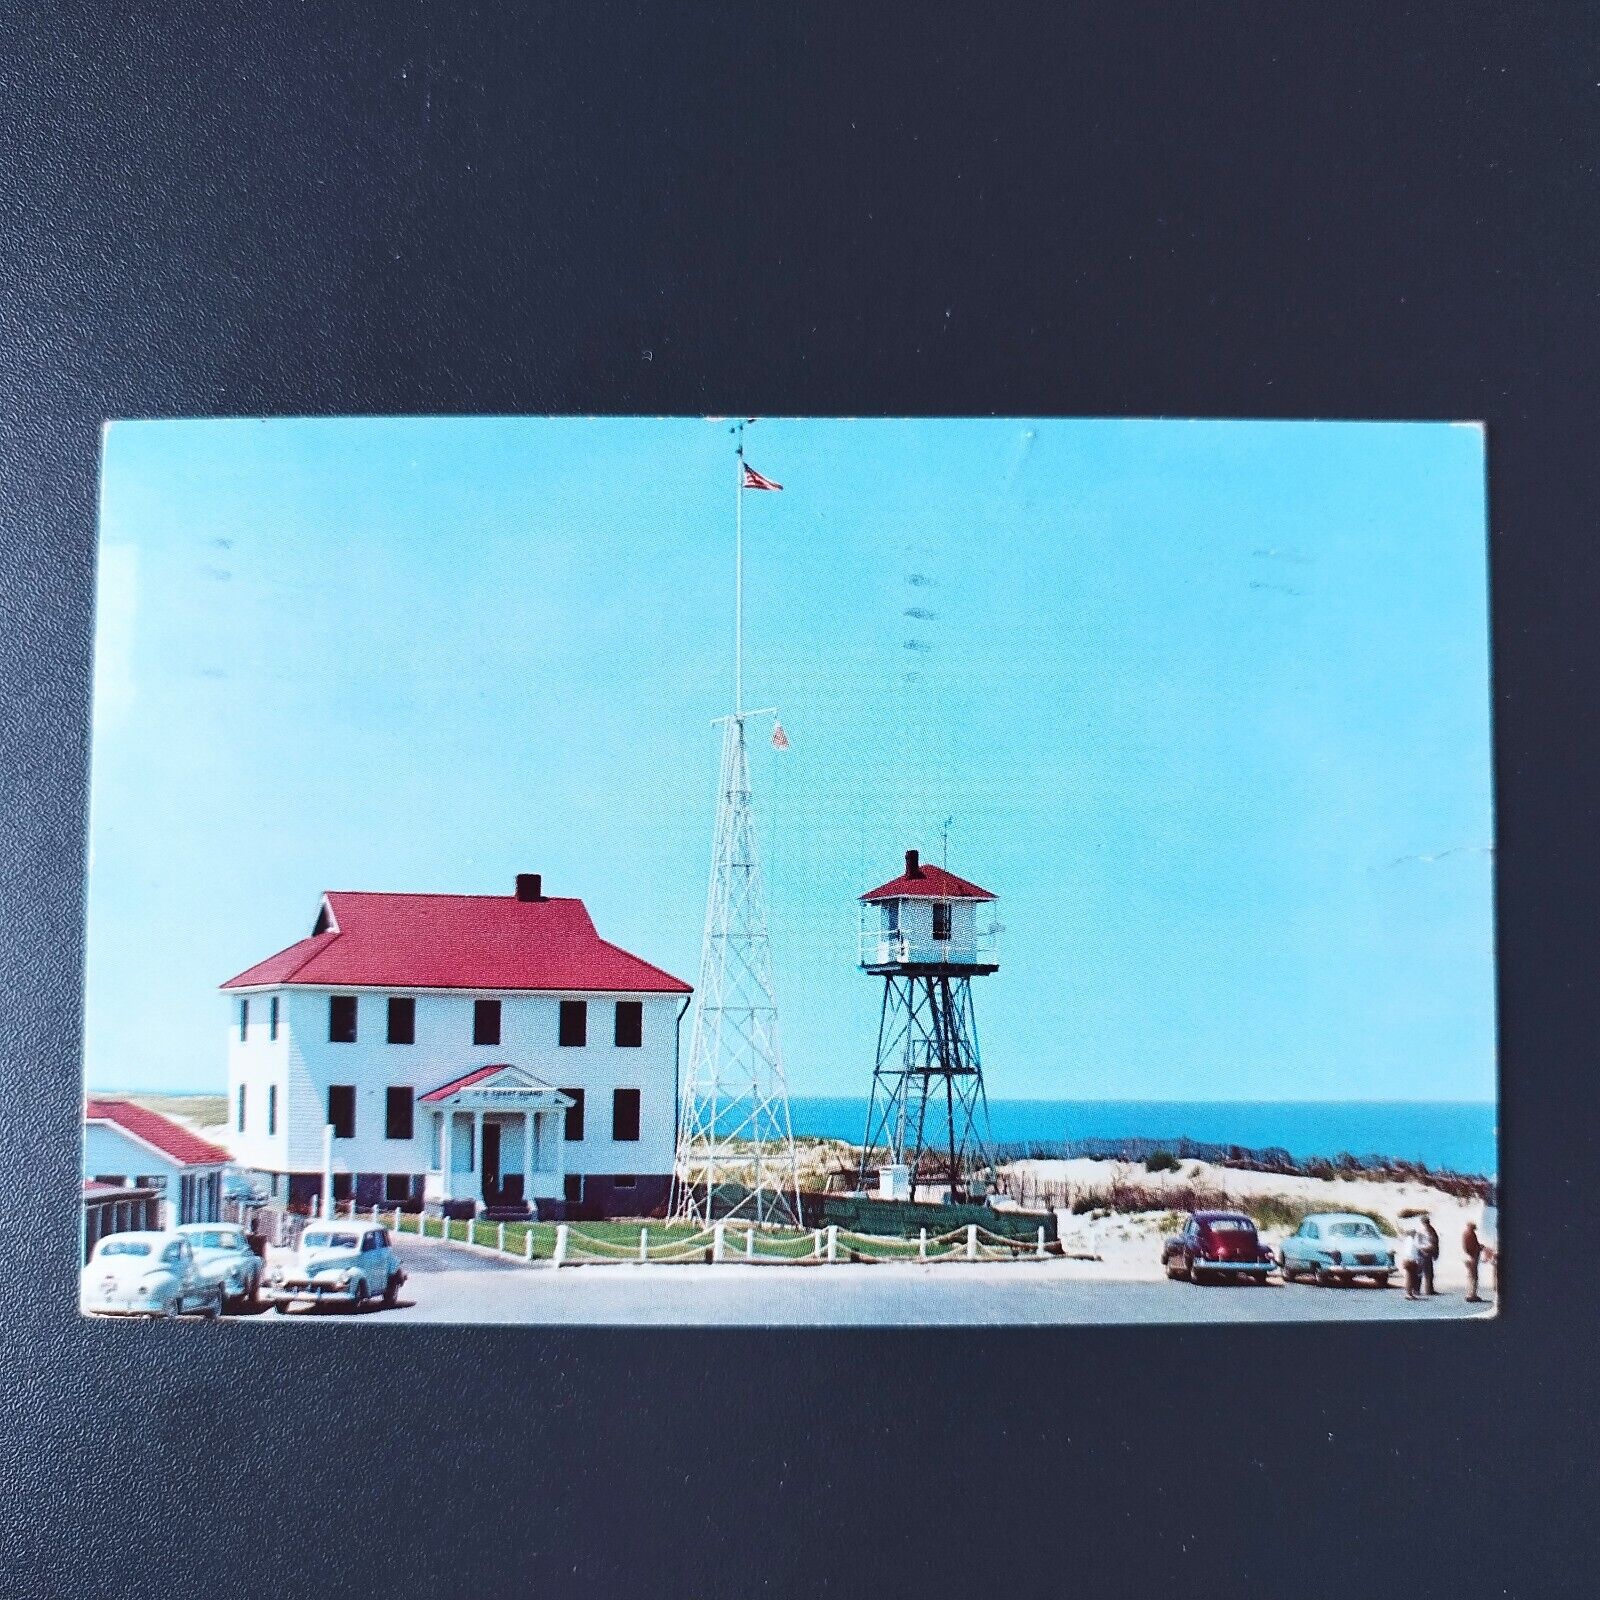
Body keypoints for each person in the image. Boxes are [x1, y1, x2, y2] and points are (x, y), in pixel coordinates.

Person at [1463, 1220, 1485, 1303]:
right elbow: (1471, 1248)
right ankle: (1472, 1295)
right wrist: (1480, 1248)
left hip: (1469, 1257)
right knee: (1473, 1276)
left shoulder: (1465, 1234)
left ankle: (1469, 1294)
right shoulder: (1470, 1234)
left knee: (1470, 1276)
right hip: (1472, 1257)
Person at [1399, 1226, 1423, 1300]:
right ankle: (1408, 1293)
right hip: (1410, 1261)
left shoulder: (1408, 1240)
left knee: (1410, 1278)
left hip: (1408, 1260)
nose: (1415, 1234)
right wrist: (1416, 1260)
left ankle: (1409, 1293)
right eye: (1414, 1233)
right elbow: (1411, 1253)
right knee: (1410, 1278)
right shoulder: (1411, 1241)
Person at [1419, 1214, 1440, 1296]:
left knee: (1429, 1272)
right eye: (1425, 1222)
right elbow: (1418, 1242)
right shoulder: (1421, 1230)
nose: (1427, 1223)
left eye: (1427, 1222)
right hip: (1423, 1252)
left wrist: (1435, 1252)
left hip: (1429, 1252)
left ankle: (1429, 1289)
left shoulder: (1431, 1230)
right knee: (1423, 1272)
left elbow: (1435, 1242)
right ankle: (1420, 1289)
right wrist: (1422, 1249)